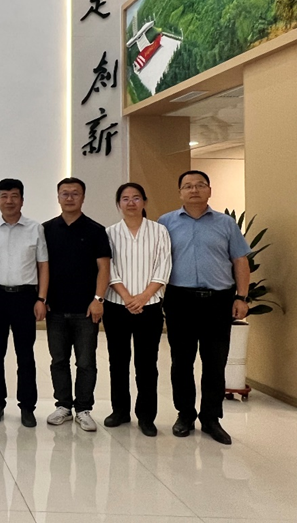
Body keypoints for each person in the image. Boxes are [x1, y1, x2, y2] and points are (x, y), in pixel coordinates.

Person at [159, 170, 251, 445]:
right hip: (180, 299)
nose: (194, 190)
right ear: (180, 192)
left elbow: (240, 261)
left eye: (200, 185)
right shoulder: (165, 223)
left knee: (215, 362)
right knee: (182, 361)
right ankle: (185, 415)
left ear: (209, 190)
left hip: (218, 301)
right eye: (188, 186)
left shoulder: (226, 224)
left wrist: (242, 297)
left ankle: (211, 419)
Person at [0, 178, 49, 428]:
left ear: (22, 200)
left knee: (25, 355)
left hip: (25, 297)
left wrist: (41, 298)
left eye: (14, 196)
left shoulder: (35, 228)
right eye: (4, 196)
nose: (9, 201)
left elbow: (43, 265)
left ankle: (27, 406)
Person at [103, 182, 172, 437]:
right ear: (118, 204)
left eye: (135, 198)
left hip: (149, 307)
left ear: (144, 201)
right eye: (125, 198)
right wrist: (126, 296)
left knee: (147, 364)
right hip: (116, 305)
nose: (130, 202)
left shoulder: (159, 231)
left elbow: (164, 266)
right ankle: (120, 411)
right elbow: (108, 268)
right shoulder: (110, 233)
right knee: (118, 362)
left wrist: (143, 297)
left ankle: (146, 416)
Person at [43, 177, 111, 432]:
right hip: (55, 309)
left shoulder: (95, 230)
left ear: (83, 197)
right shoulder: (46, 229)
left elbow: (104, 268)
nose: (69, 198)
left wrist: (98, 299)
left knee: (86, 362)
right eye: (65, 193)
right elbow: (40, 268)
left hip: (86, 310)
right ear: (58, 197)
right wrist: (42, 299)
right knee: (58, 360)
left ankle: (83, 409)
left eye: (75, 193)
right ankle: (63, 406)